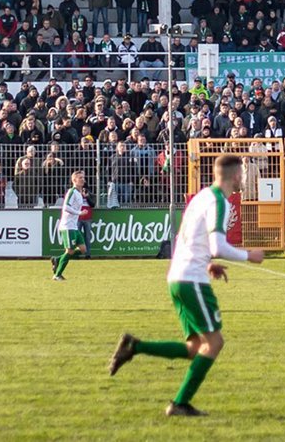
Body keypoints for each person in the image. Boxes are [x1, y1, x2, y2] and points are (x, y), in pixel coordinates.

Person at [107, 154, 264, 418]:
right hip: (192, 280)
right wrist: (250, 255)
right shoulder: (219, 202)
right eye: (244, 174)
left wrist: (206, 263)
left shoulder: (201, 197)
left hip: (178, 277)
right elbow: (217, 246)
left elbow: (186, 237)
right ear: (236, 175)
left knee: (195, 348)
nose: (244, 179)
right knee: (214, 343)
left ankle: (135, 346)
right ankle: (179, 404)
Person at [52, 170, 94, 281]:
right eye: (80, 178)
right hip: (67, 226)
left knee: (84, 250)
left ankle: (58, 259)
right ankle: (57, 275)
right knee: (70, 251)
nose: (83, 179)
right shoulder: (72, 191)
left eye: (83, 177)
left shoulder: (80, 193)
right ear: (74, 180)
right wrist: (79, 213)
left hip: (74, 226)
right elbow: (65, 207)